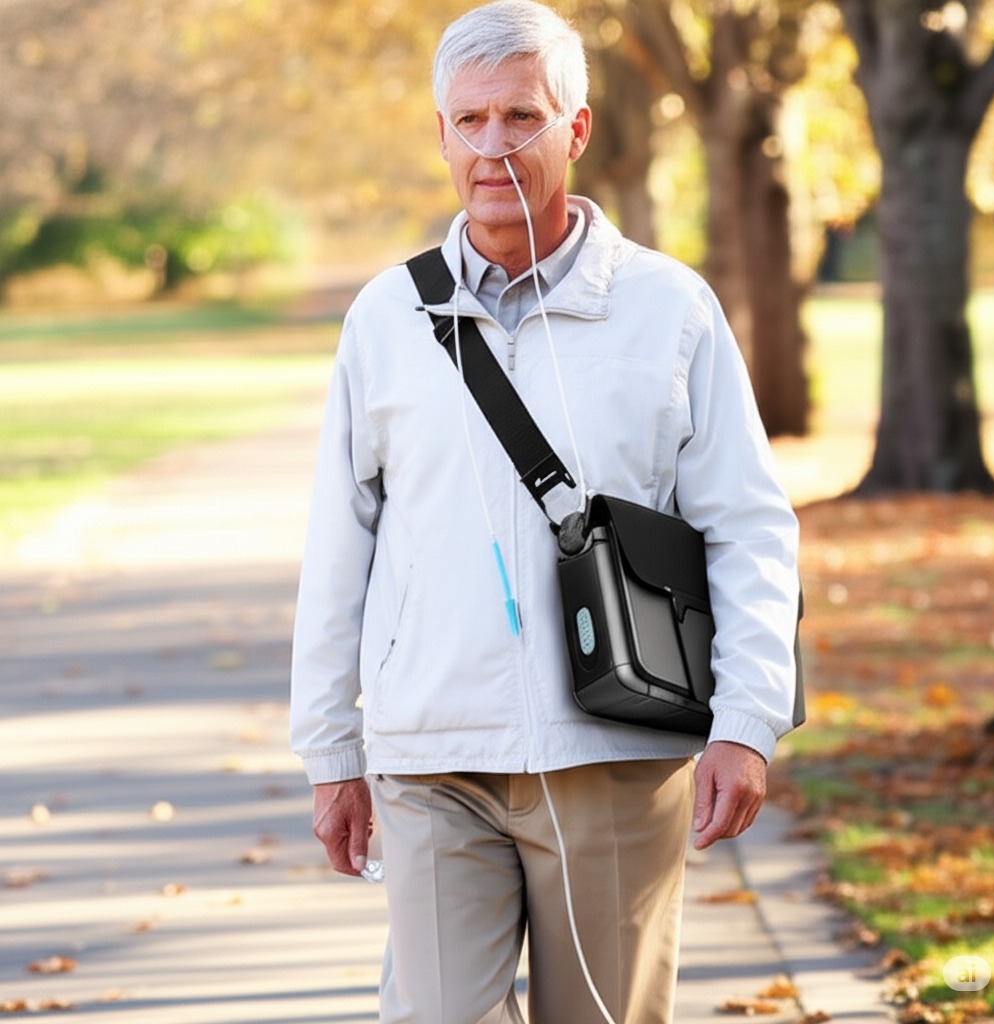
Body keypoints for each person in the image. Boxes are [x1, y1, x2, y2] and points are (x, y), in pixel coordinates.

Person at [290, 2, 802, 1022]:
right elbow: (338, 540)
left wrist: (746, 720)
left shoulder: (669, 307)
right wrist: (329, 751)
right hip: (432, 752)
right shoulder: (388, 318)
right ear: (439, 134)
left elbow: (746, 525)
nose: (492, 146)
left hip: (613, 754)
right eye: (468, 120)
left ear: (574, 128)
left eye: (521, 116)